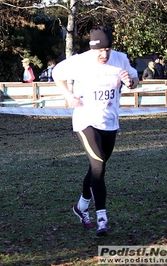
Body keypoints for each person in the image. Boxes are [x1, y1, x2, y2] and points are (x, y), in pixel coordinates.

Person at [52, 26, 139, 236]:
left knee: (95, 169)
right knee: (99, 168)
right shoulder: (81, 61)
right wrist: (68, 96)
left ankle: (81, 206)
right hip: (86, 120)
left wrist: (130, 82)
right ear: (92, 48)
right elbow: (56, 73)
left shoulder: (120, 59)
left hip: (110, 123)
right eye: (100, 50)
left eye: (108, 49)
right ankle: (102, 218)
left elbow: (135, 80)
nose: (104, 54)